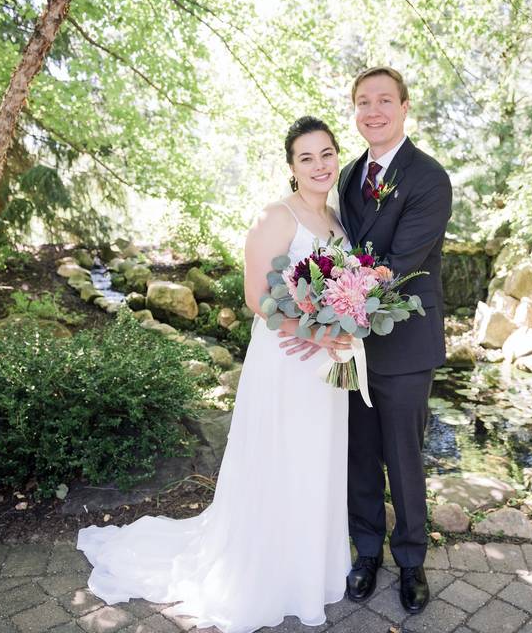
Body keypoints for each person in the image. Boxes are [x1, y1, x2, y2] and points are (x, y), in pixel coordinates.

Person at [76, 116, 354, 633]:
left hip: (325, 367)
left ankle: (308, 568)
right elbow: (256, 298)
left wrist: (343, 325)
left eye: (326, 154)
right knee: (280, 459)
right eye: (306, 158)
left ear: (338, 156)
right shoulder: (277, 217)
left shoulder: (339, 223)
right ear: (292, 168)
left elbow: (343, 293)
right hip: (288, 361)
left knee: (316, 460)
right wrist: (316, 332)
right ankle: (266, 572)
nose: (319, 165)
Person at [279, 67, 453, 614]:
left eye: (384, 100)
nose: (372, 110)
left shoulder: (428, 178)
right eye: (362, 102)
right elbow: (333, 254)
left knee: (403, 458)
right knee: (358, 454)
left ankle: (411, 562)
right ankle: (366, 554)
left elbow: (399, 265)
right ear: (354, 112)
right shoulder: (347, 175)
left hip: (403, 346)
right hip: (347, 345)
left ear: (404, 107)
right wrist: (323, 312)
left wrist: (340, 299)